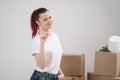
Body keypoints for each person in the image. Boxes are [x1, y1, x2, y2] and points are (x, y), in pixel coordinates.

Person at [30, 7, 64, 80]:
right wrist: (42, 44)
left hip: (54, 77)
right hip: (41, 77)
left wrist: (60, 72)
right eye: (45, 19)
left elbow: (53, 58)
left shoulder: (55, 36)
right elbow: (41, 66)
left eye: (50, 17)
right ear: (38, 22)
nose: (49, 21)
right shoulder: (36, 40)